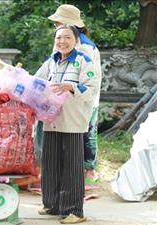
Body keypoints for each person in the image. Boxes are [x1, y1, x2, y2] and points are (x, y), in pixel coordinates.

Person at [34, 25, 100, 224]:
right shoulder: (51, 62)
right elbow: (36, 80)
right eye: (58, 38)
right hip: (52, 119)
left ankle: (74, 211)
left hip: (73, 120)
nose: (62, 41)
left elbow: (91, 90)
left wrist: (70, 87)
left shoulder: (84, 61)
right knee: (51, 163)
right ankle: (52, 204)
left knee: (71, 166)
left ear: (76, 40)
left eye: (67, 37)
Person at [48, 4, 102, 182]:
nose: (56, 28)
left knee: (85, 132)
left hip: (81, 96)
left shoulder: (84, 47)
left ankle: (88, 170)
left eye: (58, 23)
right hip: (65, 98)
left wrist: (73, 89)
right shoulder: (65, 40)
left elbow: (87, 77)